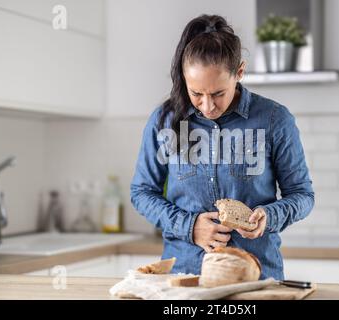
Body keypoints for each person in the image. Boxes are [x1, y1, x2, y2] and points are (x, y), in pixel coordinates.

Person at [131, 14, 314, 280]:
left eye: (218, 94)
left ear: (239, 72)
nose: (207, 106)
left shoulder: (275, 119)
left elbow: (302, 195)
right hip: (185, 278)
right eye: (196, 94)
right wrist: (189, 226)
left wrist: (269, 217)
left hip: (256, 278)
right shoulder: (165, 121)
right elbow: (142, 192)